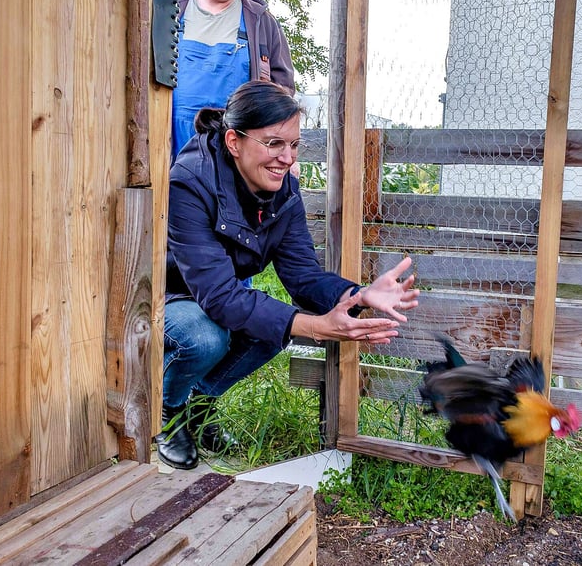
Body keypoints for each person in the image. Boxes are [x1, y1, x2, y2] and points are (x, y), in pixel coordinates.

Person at [158, 81, 419, 469]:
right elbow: (219, 297)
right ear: (234, 141)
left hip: (216, 294)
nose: (287, 158)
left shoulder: (284, 193)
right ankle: (168, 412)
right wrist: (314, 326)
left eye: (294, 145)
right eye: (274, 144)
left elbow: (302, 277)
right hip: (167, 297)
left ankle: (200, 404)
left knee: (271, 332)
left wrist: (360, 294)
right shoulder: (189, 182)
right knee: (204, 337)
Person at [172, 0, 296, 160]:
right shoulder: (170, 12)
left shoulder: (262, 24)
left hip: (238, 167)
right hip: (172, 161)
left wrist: (284, 153)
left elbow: (283, 98)